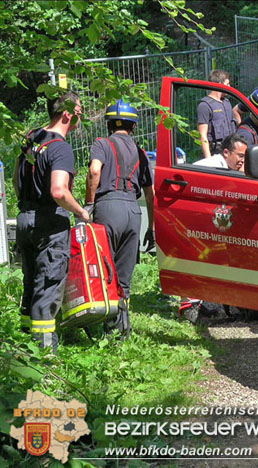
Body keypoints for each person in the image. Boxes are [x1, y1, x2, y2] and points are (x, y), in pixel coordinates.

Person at [13, 91, 90, 352]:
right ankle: (45, 359)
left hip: (25, 219)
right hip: (49, 225)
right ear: (67, 114)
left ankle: (22, 349)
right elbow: (59, 191)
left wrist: (27, 205)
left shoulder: (31, 137)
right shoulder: (60, 147)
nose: (81, 115)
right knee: (46, 289)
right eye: (79, 110)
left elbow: (16, 178)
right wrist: (80, 211)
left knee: (30, 282)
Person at [85, 99, 155, 339]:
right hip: (133, 211)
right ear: (133, 127)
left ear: (109, 125)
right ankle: (123, 331)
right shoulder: (141, 153)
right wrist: (152, 227)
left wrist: (88, 204)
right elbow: (150, 193)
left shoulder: (102, 144)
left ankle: (107, 328)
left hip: (108, 207)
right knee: (124, 276)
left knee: (105, 270)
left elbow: (95, 171)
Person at [198, 69, 239, 159]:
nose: (230, 86)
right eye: (227, 84)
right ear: (220, 84)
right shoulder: (205, 105)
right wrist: (208, 160)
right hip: (215, 154)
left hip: (230, 152)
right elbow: (203, 135)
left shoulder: (227, 103)